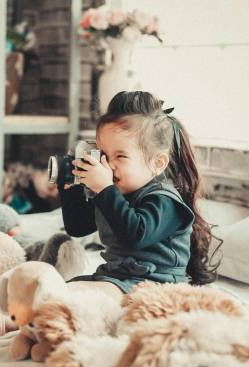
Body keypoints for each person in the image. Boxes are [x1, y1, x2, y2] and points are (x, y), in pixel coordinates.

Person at [60, 90, 221, 303]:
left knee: (70, 296)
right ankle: (12, 322)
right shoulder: (115, 193)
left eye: (120, 156)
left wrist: (105, 189)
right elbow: (78, 227)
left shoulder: (166, 201)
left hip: (156, 289)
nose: (108, 164)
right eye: (104, 155)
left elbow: (134, 235)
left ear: (158, 163)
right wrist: (70, 188)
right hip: (117, 279)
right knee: (59, 290)